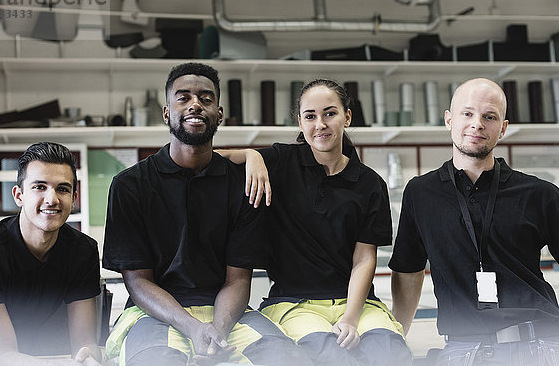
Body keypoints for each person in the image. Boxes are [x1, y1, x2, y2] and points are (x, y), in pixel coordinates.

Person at [102, 62, 311, 366]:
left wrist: (217, 330)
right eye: (183, 97)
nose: (195, 104)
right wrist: (192, 327)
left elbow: (238, 279)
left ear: (219, 114)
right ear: (166, 113)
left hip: (224, 313)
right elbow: (137, 282)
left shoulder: (242, 185)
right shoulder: (130, 185)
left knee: (287, 359)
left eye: (206, 98)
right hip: (156, 313)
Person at [218, 78, 411, 366]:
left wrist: (350, 318)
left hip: (356, 304)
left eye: (330, 113)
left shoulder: (370, 183)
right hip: (295, 305)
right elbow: (210, 159)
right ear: (300, 122)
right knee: (332, 357)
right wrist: (251, 155)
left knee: (390, 354)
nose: (320, 124)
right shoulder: (282, 161)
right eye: (310, 116)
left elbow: (364, 259)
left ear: (347, 117)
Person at [389, 78, 559, 365]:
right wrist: (395, 340)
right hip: (462, 349)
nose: (477, 124)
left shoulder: (539, 194)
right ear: (449, 120)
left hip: (540, 344)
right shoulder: (421, 193)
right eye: (467, 113)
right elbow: (408, 271)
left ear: (502, 128)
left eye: (489, 116)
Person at [0, 142, 102, 366]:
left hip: (41, 356)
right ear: (19, 195)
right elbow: (4, 356)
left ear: (73, 199)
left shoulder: (83, 251)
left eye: (62, 189)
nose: (52, 199)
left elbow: (83, 342)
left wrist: (89, 357)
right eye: (39, 187)